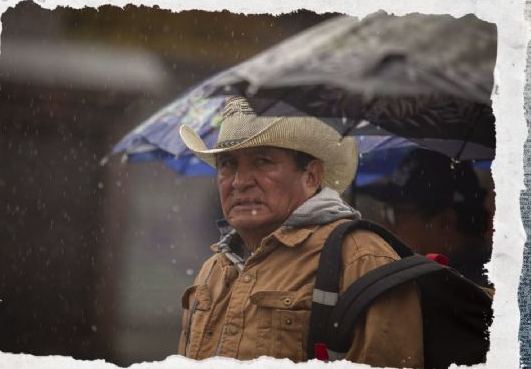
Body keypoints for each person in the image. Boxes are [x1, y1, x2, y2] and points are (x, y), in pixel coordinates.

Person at [176, 96, 423, 366]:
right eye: (228, 164)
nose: (240, 181)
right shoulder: (212, 271)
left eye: (262, 161)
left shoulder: (362, 259)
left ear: (311, 177)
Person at [361, 148, 493, 287]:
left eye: (396, 215)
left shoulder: (453, 293)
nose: (386, 226)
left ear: (445, 223)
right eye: (385, 212)